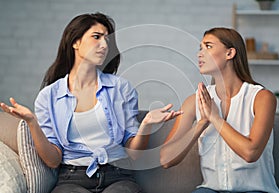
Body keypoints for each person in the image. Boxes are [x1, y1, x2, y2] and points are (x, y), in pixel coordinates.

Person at [0, 12, 182, 193]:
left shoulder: (121, 89)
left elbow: (133, 154)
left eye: (107, 40)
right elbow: (53, 160)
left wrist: (147, 125)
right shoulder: (49, 97)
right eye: (96, 37)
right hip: (72, 179)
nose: (104, 45)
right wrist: (32, 123)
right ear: (75, 42)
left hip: (118, 176)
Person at [160, 27, 279, 193]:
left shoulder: (262, 98)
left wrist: (215, 118)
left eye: (208, 46)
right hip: (210, 190)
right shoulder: (195, 101)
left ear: (229, 53)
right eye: (200, 48)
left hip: (255, 190)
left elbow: (250, 153)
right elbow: (166, 159)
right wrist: (201, 123)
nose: (200, 54)